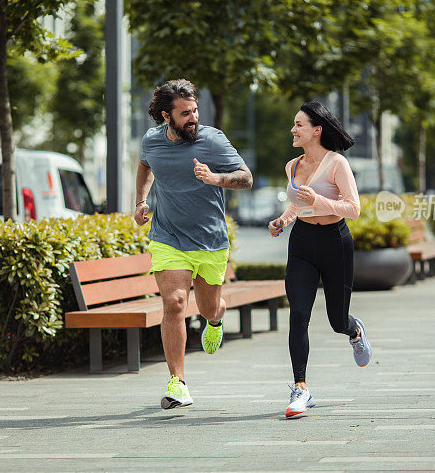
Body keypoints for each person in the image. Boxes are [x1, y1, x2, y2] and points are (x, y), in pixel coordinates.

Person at [134, 78, 253, 410]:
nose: (193, 118)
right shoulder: (152, 141)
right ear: (165, 116)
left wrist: (216, 178)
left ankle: (216, 317)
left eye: (195, 110)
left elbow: (247, 177)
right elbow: (145, 164)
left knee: (207, 308)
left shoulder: (213, 141)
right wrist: (140, 200)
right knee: (174, 303)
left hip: (210, 240)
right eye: (185, 113)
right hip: (168, 237)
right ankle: (178, 382)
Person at [267, 101, 371, 418]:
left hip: (335, 243)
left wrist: (320, 200)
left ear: (316, 130)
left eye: (299, 124)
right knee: (298, 314)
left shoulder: (336, 163)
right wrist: (283, 220)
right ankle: (301, 389)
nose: (293, 129)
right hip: (302, 242)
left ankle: (354, 332)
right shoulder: (292, 166)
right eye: (293, 124)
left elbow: (354, 209)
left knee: (336, 320)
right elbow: (298, 205)